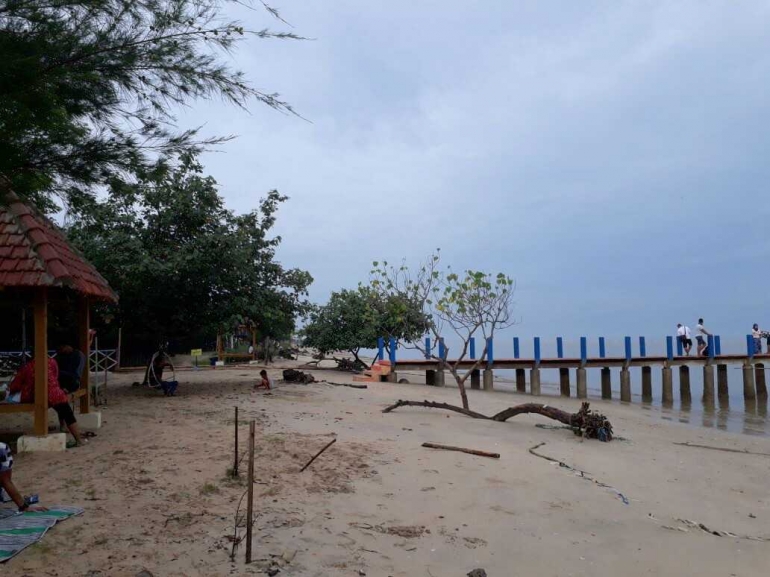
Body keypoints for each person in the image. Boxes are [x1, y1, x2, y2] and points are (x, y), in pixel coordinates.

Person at [9, 357, 86, 446]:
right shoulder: (51, 361)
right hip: (56, 392)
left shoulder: (27, 367)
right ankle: (78, 439)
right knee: (68, 414)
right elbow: (56, 375)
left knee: (62, 411)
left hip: (40, 394)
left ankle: (69, 434)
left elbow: (15, 385)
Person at [0, 442, 47, 512]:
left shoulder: (2, 448)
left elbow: (5, 481)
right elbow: (5, 481)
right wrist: (23, 506)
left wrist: (23, 506)